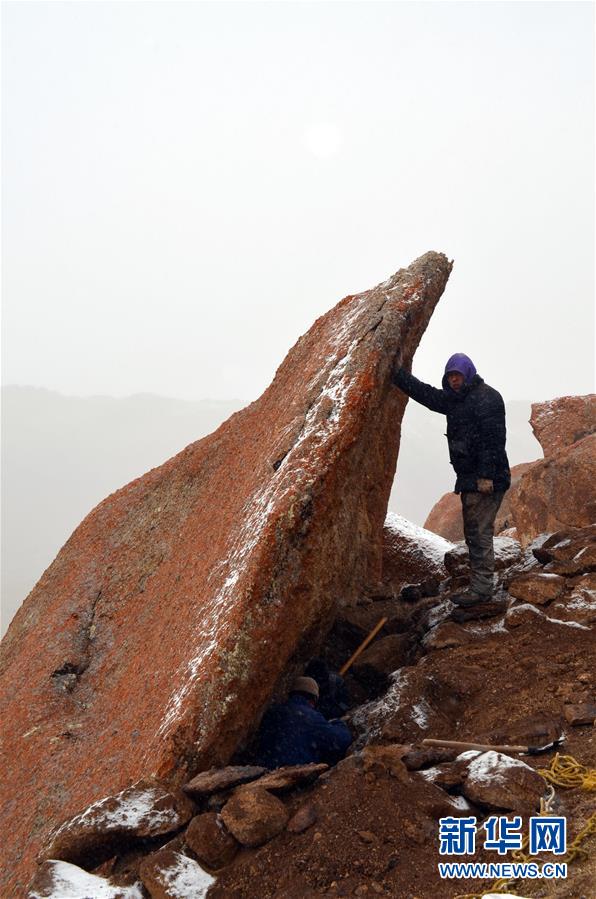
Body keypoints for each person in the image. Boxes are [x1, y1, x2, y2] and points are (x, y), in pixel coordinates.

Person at [392, 352, 511, 606]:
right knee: (474, 533)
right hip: (470, 480)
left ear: (468, 374)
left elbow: (494, 440)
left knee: (479, 533)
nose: (454, 380)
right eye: (450, 377)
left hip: (487, 480)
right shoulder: (455, 400)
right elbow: (427, 395)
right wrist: (398, 375)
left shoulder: (487, 398)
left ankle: (481, 590)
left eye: (457, 375)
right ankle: (481, 585)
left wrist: (486, 476)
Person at [254, 676, 352, 769]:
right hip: (293, 776)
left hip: (264, 770)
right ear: (314, 699)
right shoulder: (310, 717)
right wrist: (338, 723)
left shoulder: (273, 712)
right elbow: (341, 740)